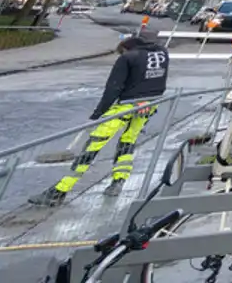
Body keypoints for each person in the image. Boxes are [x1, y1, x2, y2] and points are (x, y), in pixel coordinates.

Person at [30, 33, 170, 206]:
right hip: (149, 104)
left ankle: (60, 190)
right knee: (128, 142)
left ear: (126, 48)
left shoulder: (127, 58)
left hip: (125, 106)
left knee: (92, 147)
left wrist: (97, 115)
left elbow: (113, 88)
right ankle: (118, 181)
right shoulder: (161, 53)